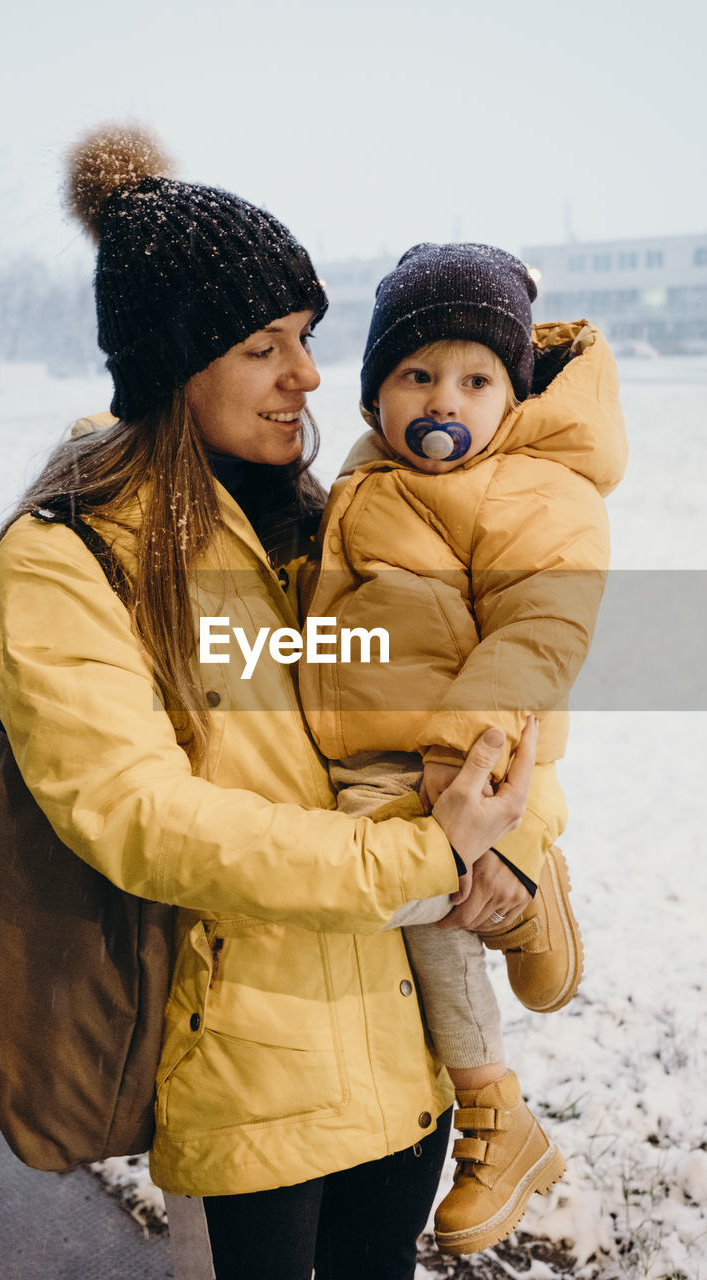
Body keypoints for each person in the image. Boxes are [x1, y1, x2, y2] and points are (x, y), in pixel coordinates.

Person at [0, 129, 537, 1280]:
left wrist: (504, 846)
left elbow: (432, 706)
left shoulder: (329, 524)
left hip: (400, 1048)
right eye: (261, 346)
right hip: (245, 1070)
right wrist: (413, 858)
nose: (311, 375)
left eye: (307, 339)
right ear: (171, 364)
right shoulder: (70, 554)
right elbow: (134, 810)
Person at [300, 242, 627, 1256]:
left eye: (475, 378)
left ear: (512, 394)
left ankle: (498, 1094)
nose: (444, 398)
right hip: (375, 766)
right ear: (375, 390)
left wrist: (461, 770)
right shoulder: (365, 475)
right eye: (416, 374)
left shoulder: (533, 487)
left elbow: (539, 634)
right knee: (390, 907)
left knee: (384, 891)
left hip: (465, 765)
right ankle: (500, 1108)